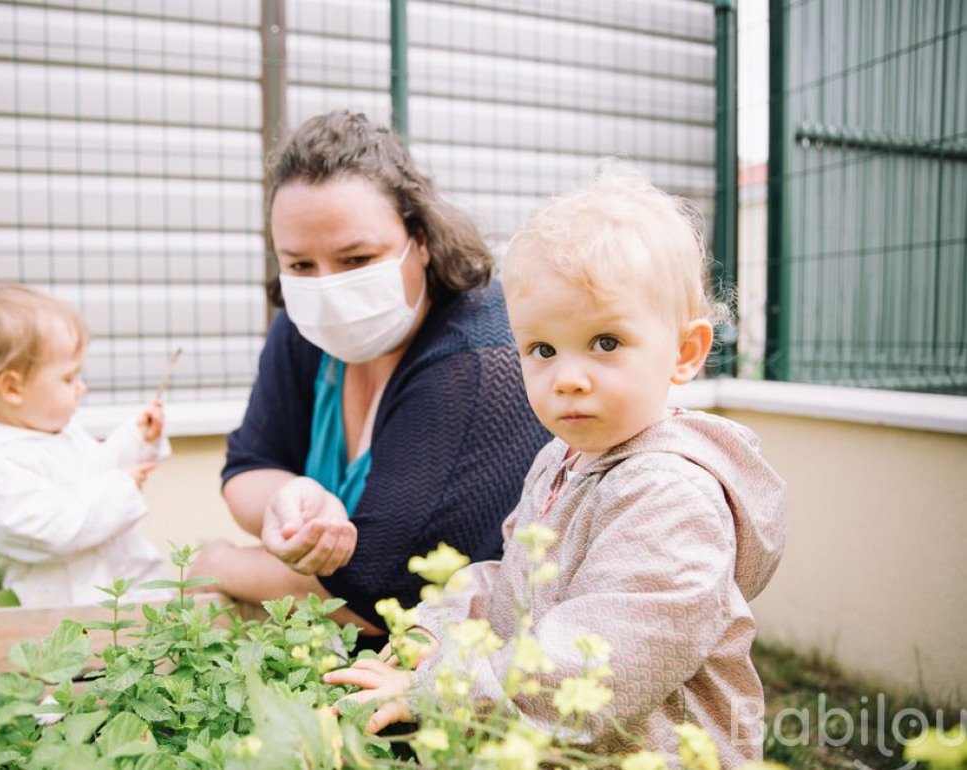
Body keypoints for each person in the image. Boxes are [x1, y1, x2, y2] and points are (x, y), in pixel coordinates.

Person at [325, 165, 788, 766]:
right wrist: (436, 623)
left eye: (605, 342)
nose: (567, 379)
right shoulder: (560, 459)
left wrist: (444, 689)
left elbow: (598, 659)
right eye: (542, 349)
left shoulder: (672, 495)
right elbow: (513, 583)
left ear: (685, 352)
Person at [195, 110, 550, 639]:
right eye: (299, 265)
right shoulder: (302, 329)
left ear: (422, 240)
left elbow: (382, 597)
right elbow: (250, 463)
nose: (327, 287)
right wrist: (286, 501)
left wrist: (218, 563)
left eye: (356, 258)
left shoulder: (478, 363)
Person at [0, 284, 173, 607]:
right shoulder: (1, 463)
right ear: (13, 388)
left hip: (107, 593)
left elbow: (98, 469)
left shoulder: (57, 432)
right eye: (68, 378)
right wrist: (122, 487)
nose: (81, 386)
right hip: (63, 608)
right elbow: (57, 530)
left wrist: (137, 439)